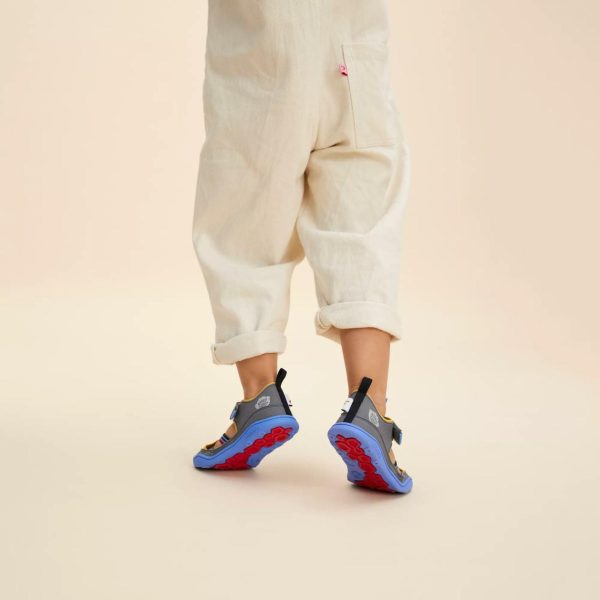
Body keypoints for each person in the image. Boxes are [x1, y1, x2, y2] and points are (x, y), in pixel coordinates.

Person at [191, 0, 412, 493]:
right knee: (362, 228)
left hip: (261, 61)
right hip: (353, 58)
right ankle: (370, 410)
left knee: (245, 226)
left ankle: (260, 399)